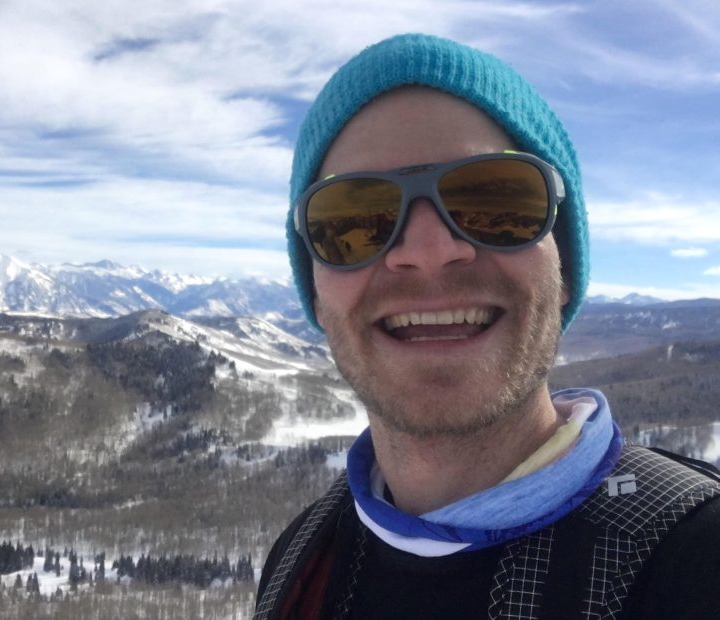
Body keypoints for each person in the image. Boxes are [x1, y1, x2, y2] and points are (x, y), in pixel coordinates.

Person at [254, 34, 720, 620]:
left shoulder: (694, 560)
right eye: (354, 220)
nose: (427, 251)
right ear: (318, 297)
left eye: (496, 203)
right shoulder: (300, 562)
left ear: (565, 271)